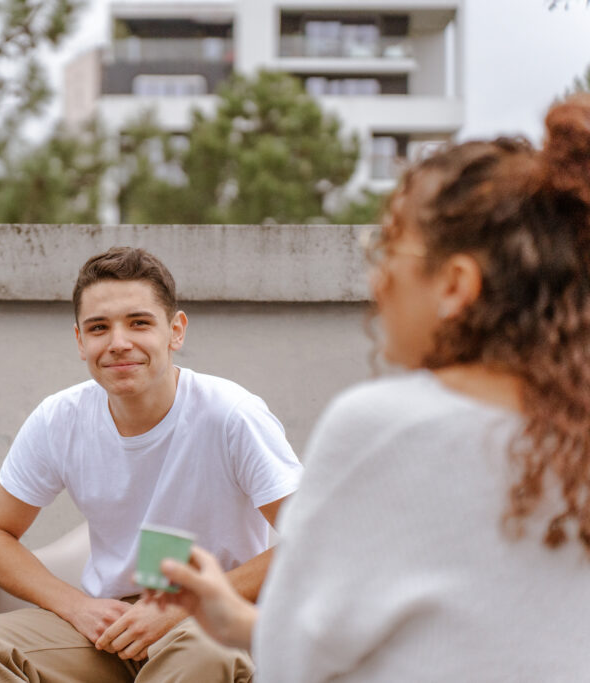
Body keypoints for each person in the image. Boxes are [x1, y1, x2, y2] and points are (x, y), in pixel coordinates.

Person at [151, 94, 590, 681]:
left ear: (455, 284)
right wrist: (233, 620)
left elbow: (301, 665)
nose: (377, 281)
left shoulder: (387, 427)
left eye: (389, 250)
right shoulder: (570, 436)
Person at [0, 247, 302, 682]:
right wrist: (76, 606)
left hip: (212, 621)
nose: (118, 343)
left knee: (207, 655)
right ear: (80, 341)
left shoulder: (232, 415)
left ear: (176, 331)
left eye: (139, 322)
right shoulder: (60, 418)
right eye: (99, 328)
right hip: (111, 629)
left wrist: (182, 605)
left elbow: (313, 540)